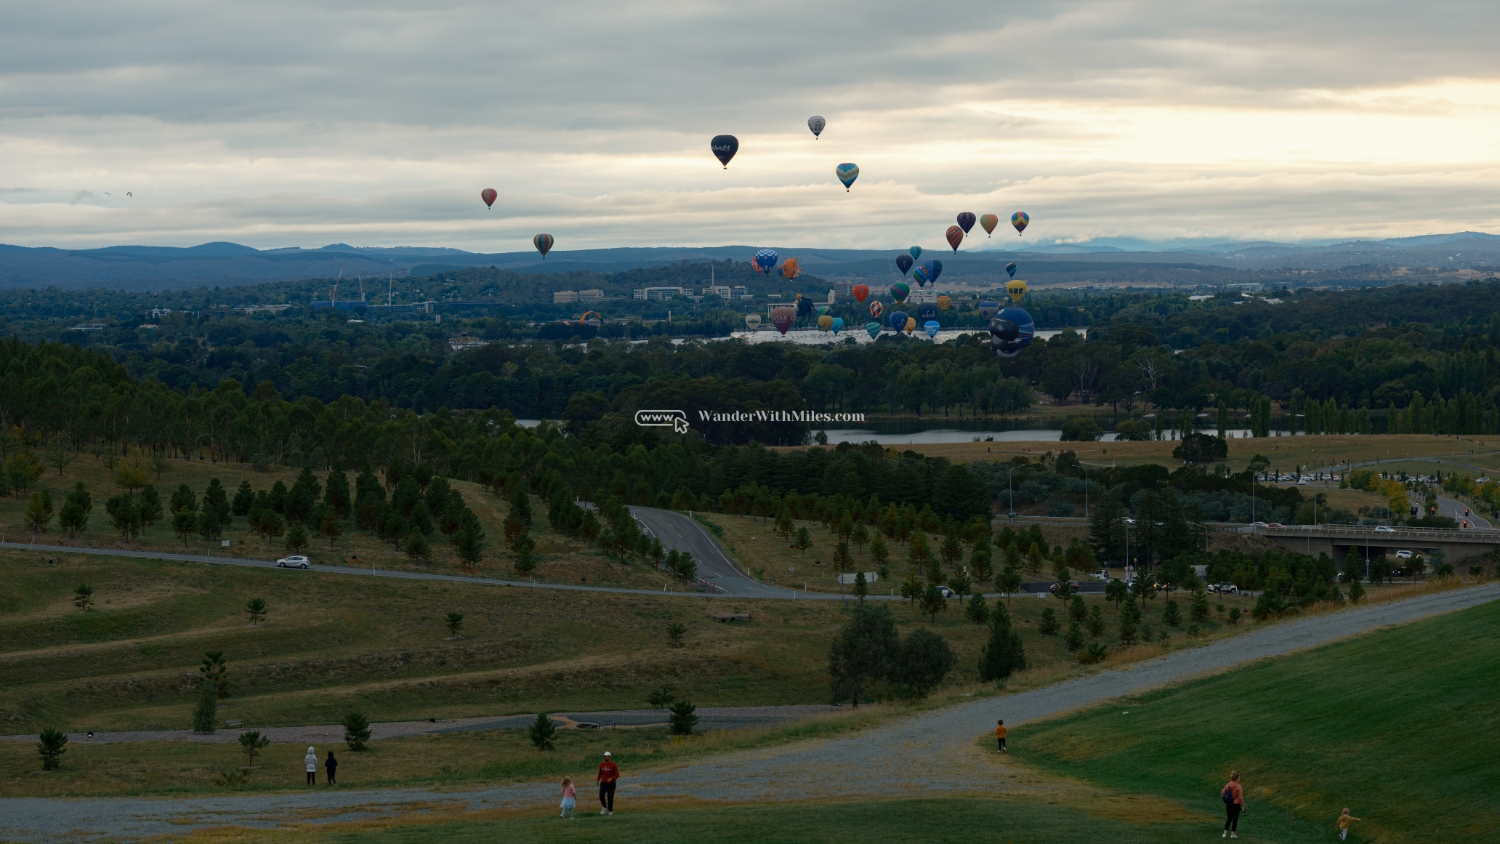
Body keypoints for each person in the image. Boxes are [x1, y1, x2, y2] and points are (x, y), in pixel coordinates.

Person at [1221, 771, 1245, 838]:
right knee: (1235, 819)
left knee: (1229, 818)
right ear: (1237, 778)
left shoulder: (1228, 785)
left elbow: (1222, 792)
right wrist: (1242, 806)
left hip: (1229, 804)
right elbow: (1240, 798)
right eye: (1239, 778)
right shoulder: (1238, 787)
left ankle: (1224, 833)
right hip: (1236, 805)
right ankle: (1232, 834)